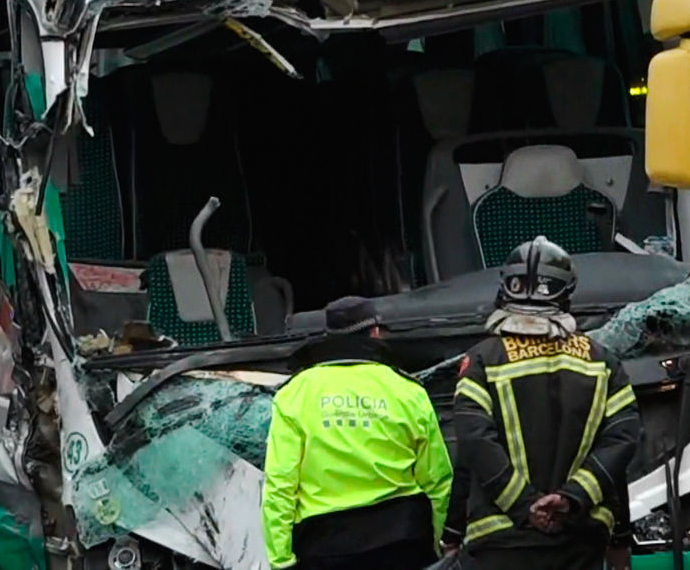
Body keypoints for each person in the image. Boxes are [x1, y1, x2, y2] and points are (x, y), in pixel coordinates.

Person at [448, 236, 641, 570]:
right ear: (566, 294)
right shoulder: (601, 361)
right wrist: (574, 501)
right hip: (579, 542)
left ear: (507, 289)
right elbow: (620, 446)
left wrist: (523, 508)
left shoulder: (482, 360)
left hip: (501, 545)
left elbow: (473, 446)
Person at [261, 296, 454, 570]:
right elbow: (438, 481)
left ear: (328, 336)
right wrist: (435, 543)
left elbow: (279, 486)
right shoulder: (408, 391)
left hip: (325, 547)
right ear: (375, 332)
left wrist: (281, 561)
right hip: (402, 541)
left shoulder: (295, 394)